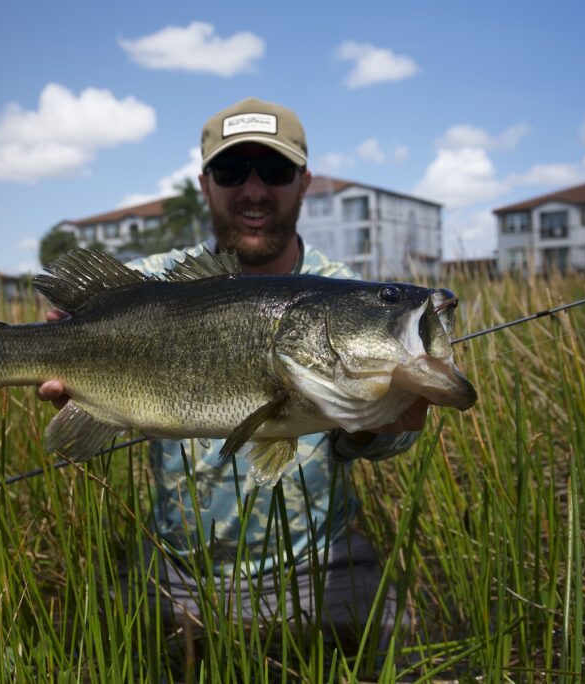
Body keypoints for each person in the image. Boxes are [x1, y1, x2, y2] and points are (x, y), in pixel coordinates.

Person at [37, 97, 428, 650]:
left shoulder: (354, 294)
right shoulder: (153, 281)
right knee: (107, 653)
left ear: (304, 182)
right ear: (205, 184)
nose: (252, 189)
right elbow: (67, 329)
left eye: (273, 170)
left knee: (402, 651)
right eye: (231, 170)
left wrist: (372, 422)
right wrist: (62, 363)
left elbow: (399, 432)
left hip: (318, 560)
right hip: (178, 566)